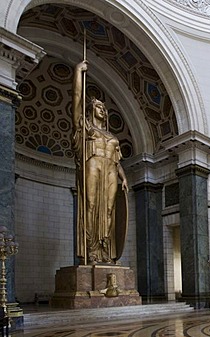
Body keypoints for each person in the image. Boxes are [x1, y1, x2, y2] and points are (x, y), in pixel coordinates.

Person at [72, 60, 129, 264]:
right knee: (91, 205)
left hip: (111, 170)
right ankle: (91, 250)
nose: (103, 110)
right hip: (93, 164)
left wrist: (124, 178)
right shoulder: (85, 128)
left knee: (108, 211)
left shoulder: (111, 135)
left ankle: (105, 250)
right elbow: (77, 99)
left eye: (104, 108)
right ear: (91, 110)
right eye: (98, 107)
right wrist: (78, 72)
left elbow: (117, 160)